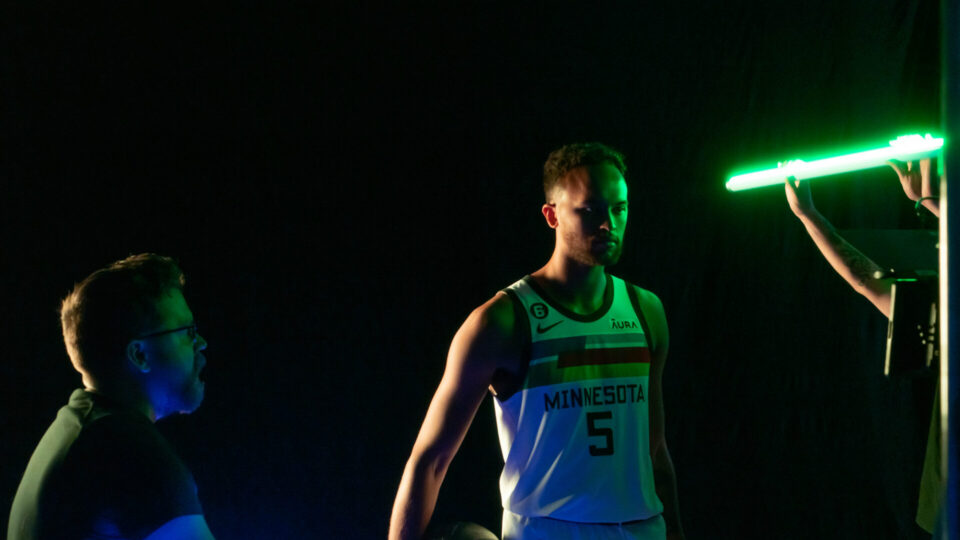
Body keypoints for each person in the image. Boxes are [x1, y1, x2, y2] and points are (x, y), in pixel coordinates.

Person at [389, 143, 684, 540]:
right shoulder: (502, 322)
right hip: (545, 531)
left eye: (620, 208)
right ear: (552, 215)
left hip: (642, 529)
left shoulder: (645, 311)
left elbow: (655, 447)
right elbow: (430, 460)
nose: (608, 224)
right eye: (590, 210)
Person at [7, 253, 216, 540]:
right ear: (139, 355)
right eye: (187, 331)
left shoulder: (82, 429)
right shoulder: (128, 449)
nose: (201, 343)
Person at [784, 159, 942, 535]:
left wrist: (933, 203)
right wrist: (809, 215)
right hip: (945, 511)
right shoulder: (947, 309)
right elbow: (865, 280)